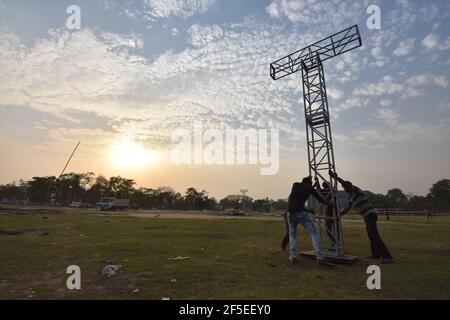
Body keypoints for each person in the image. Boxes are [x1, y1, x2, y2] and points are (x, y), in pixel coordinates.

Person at [329, 170, 394, 264]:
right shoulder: (351, 196)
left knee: (374, 236)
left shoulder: (356, 190)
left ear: (350, 186)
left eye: (345, 187)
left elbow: (345, 184)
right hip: (367, 216)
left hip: (370, 214)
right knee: (371, 235)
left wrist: (336, 178)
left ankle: (388, 257)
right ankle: (375, 254)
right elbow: (347, 208)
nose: (344, 188)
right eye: (343, 187)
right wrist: (340, 215)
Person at [284, 176, 335, 267]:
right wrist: (329, 203)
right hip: (300, 213)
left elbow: (296, 199)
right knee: (315, 231)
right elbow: (320, 199)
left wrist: (313, 183)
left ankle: (293, 256)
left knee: (292, 234)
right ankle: (320, 257)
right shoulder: (310, 188)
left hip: (290, 213)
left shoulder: (295, 185)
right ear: (309, 183)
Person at [314, 177, 339, 247]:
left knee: (336, 230)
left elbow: (335, 186)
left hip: (334, 212)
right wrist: (317, 181)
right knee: (328, 230)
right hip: (328, 212)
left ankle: (336, 243)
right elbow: (318, 189)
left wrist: (335, 179)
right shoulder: (324, 192)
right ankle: (334, 242)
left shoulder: (333, 191)